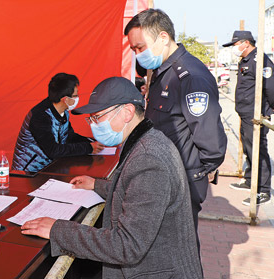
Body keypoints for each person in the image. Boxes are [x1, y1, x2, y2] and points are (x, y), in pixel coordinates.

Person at [21, 77, 203, 278]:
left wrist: (58, 231)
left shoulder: (148, 158)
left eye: (97, 117)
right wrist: (97, 185)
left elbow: (127, 245)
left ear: (127, 112)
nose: (93, 124)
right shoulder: (148, 140)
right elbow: (139, 192)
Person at [125, 8, 227, 242]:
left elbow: (211, 141)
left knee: (180, 250)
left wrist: (199, 172)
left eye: (140, 47)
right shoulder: (163, 71)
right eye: (133, 50)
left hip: (181, 180)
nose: (138, 54)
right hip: (165, 174)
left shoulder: (190, 76)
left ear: (163, 37)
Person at [223, 31, 274, 205]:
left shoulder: (260, 61)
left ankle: (263, 190)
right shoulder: (246, 60)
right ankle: (250, 179)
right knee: (249, 148)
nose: (234, 49)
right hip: (246, 113)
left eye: (235, 45)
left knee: (258, 150)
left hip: (256, 114)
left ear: (246, 43)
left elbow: (272, 87)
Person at [11, 73, 104, 172]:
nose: (78, 98)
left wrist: (92, 142)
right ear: (65, 99)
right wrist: (88, 148)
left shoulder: (64, 112)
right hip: (29, 172)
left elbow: (69, 136)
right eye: (75, 96)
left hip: (50, 168)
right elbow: (53, 150)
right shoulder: (40, 116)